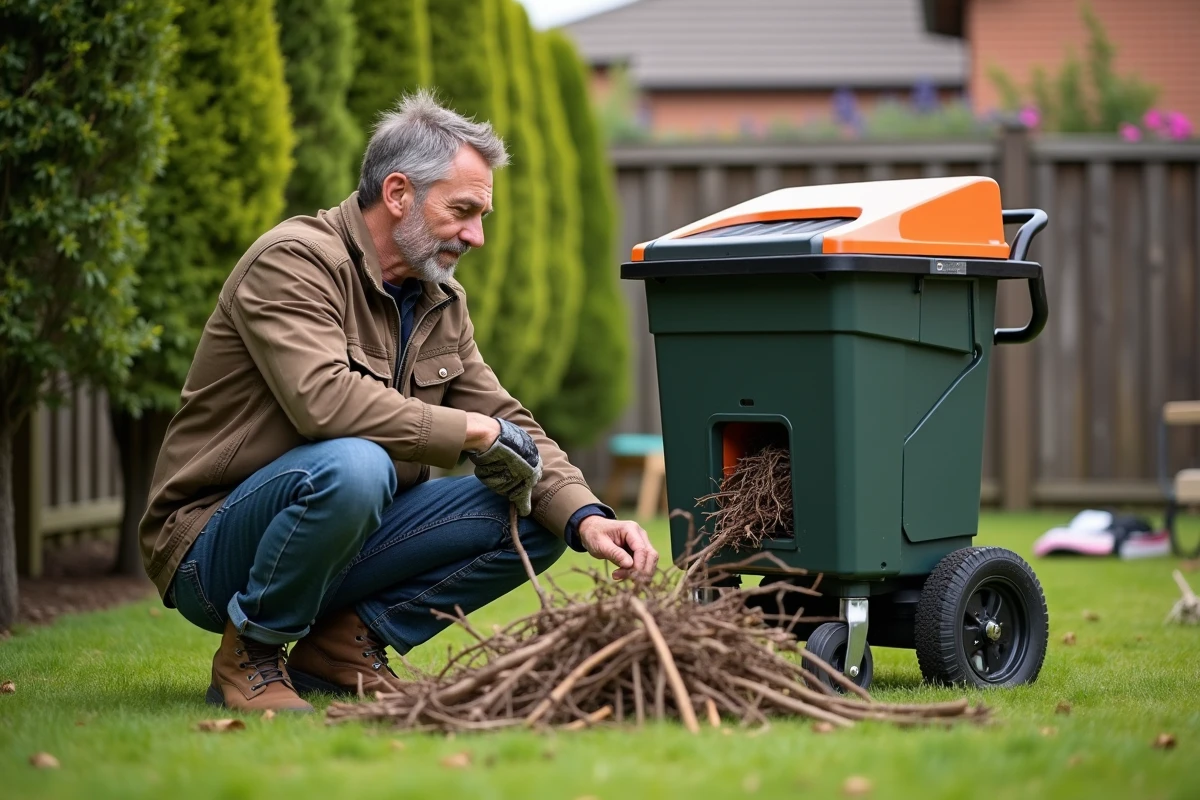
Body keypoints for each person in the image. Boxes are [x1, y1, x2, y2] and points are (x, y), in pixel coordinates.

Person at [138, 90, 659, 713]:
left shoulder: (440, 299)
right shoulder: (294, 262)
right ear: (397, 193)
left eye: (483, 215)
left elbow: (506, 419)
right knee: (357, 465)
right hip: (213, 544)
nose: (478, 236)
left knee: (535, 512)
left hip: (343, 530)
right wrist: (466, 430)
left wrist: (588, 516)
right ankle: (249, 650)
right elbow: (323, 403)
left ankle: (341, 648)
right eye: (464, 211)